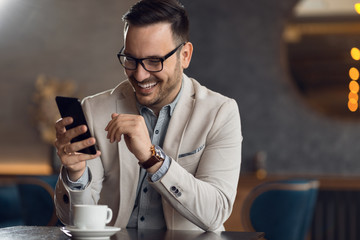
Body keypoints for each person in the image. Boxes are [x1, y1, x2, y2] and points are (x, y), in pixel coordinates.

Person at [54, 0, 242, 231]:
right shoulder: (94, 110)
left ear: (185, 55)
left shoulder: (220, 113)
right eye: (131, 59)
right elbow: (72, 221)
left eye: (154, 61)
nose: (140, 75)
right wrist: (76, 174)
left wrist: (152, 159)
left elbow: (214, 214)